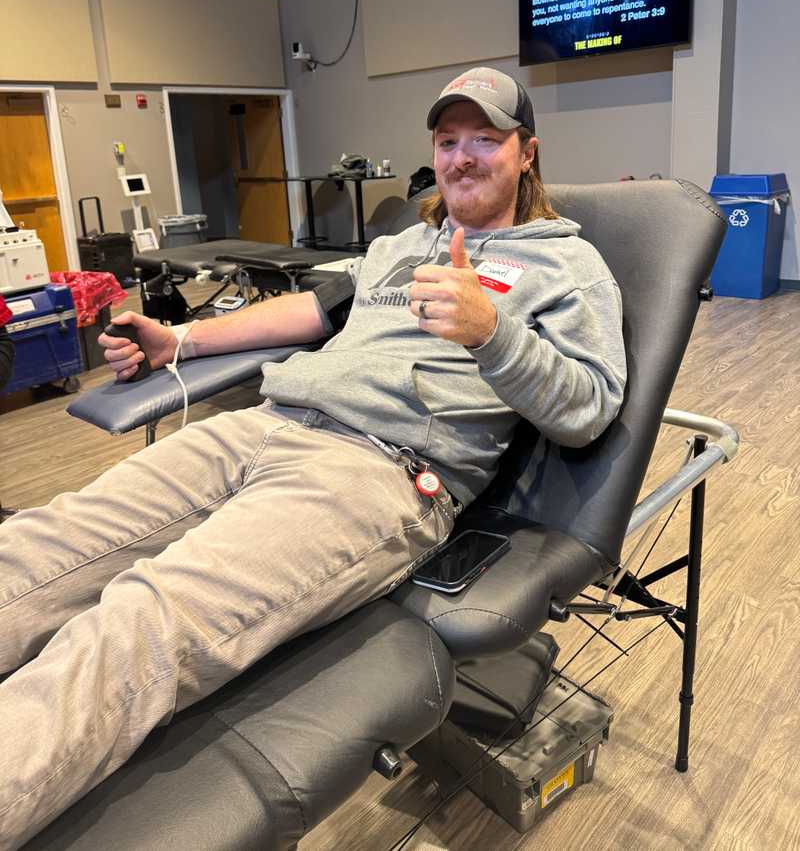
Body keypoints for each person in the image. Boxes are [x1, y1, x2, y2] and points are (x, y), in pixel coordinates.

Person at [0, 67, 626, 848]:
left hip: (376, 471)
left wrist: (491, 330)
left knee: (141, 618)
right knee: (37, 548)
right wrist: (182, 339)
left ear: (526, 152)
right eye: (448, 139)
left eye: (486, 139)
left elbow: (589, 408)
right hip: (262, 426)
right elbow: (309, 308)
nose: (463, 156)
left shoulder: (570, 266)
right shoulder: (402, 243)